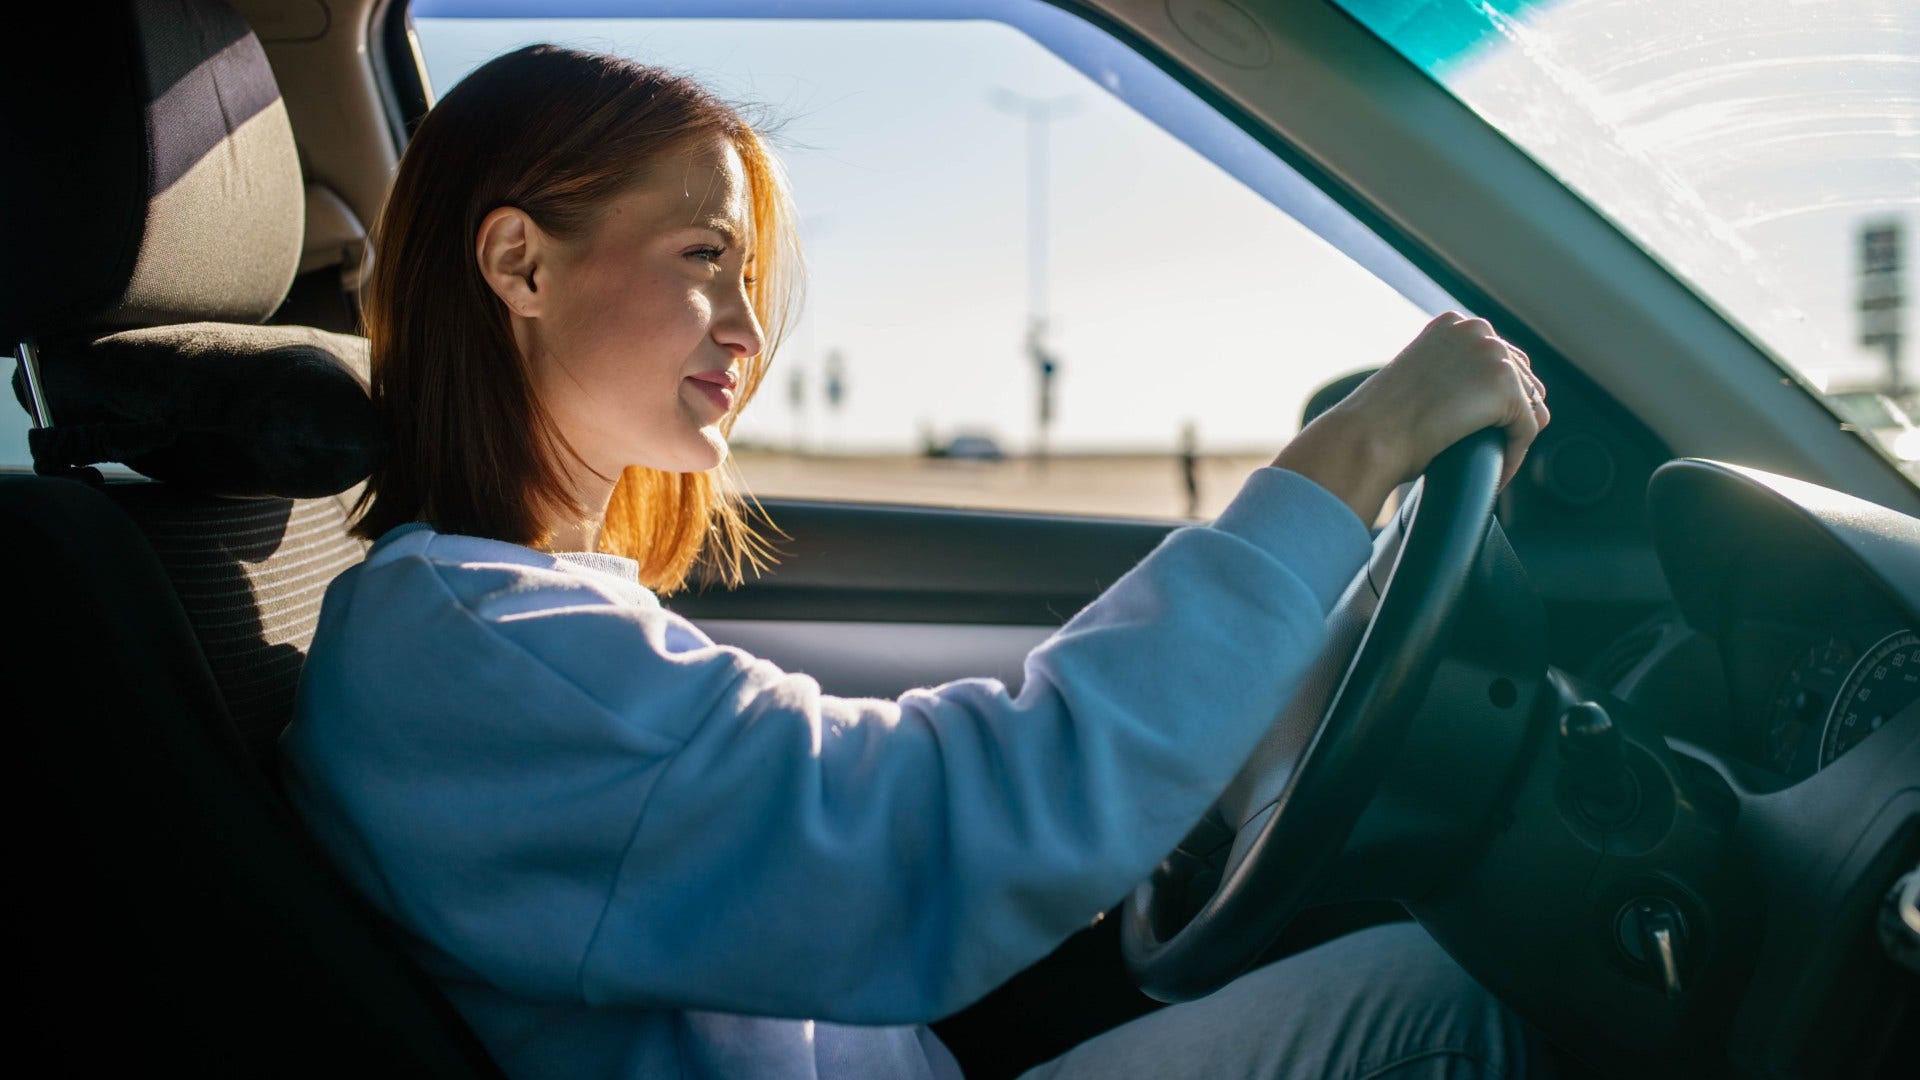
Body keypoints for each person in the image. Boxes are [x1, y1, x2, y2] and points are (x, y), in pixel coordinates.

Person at [279, 45, 1552, 1080]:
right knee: (1460, 1007)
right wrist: (1358, 453)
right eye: (704, 258)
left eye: (753, 276)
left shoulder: (507, 620)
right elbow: (929, 828)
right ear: (520, 262)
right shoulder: (478, 645)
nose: (746, 326)